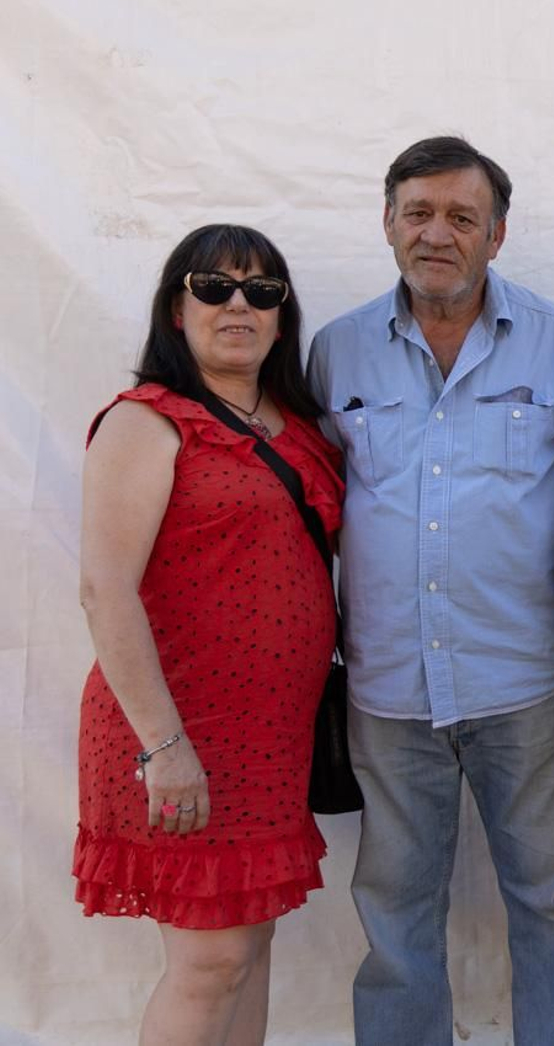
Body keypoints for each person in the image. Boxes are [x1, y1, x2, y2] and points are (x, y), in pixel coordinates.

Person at [307, 136, 554, 1046]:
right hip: (387, 689)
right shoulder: (335, 351)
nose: (440, 233)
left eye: (463, 217)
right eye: (420, 213)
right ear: (388, 222)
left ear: (497, 235)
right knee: (395, 915)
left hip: (529, 684)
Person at [73, 224, 342, 1045]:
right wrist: (164, 745)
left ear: (282, 317)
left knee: (247, 950)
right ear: (175, 308)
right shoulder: (147, 421)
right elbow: (104, 590)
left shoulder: (295, 426)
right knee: (208, 963)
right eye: (214, 286)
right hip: (176, 732)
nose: (238, 304)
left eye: (262, 291)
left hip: (269, 740)